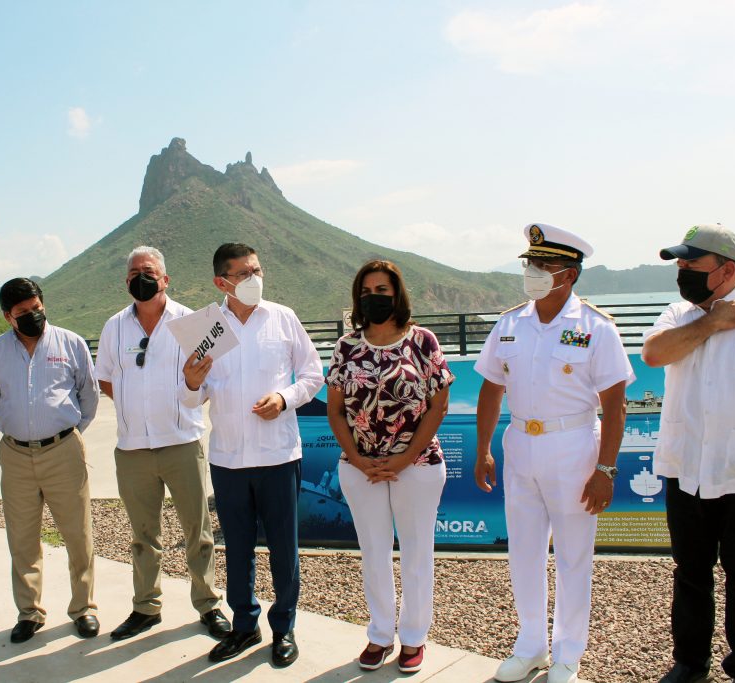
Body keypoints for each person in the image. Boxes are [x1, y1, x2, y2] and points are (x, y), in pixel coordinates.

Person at [473, 225, 633, 683]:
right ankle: (530, 645)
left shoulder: (596, 328)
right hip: (520, 443)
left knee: (573, 553)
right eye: (530, 265)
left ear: (570, 274)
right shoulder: (510, 322)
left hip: (574, 445)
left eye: (543, 266)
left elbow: (615, 403)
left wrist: (605, 467)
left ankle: (567, 653)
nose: (533, 273)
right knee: (523, 551)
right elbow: (491, 387)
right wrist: (484, 448)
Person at [181, 242, 323, 667]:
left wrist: (284, 397)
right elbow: (191, 400)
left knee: (283, 547)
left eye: (257, 270)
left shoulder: (282, 317)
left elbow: (314, 374)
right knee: (237, 548)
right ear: (221, 282)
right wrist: (189, 382)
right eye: (244, 274)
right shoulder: (206, 326)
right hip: (228, 459)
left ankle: (284, 628)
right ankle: (244, 625)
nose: (254, 279)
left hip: (279, 455)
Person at [95, 246, 231, 641]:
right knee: (142, 535)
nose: (143, 276)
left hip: (182, 441)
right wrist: (134, 407)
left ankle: (208, 604)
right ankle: (145, 607)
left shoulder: (195, 322)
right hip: (133, 447)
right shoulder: (113, 327)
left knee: (198, 531)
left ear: (165, 279)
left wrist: (184, 389)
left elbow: (210, 383)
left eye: (150, 270)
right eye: (135, 272)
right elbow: (105, 378)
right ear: (126, 282)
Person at [641, 224, 735, 683]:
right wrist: (712, 322)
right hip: (686, 468)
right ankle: (690, 663)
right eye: (680, 264)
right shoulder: (678, 314)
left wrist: (732, 319)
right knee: (691, 572)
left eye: (692, 263)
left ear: (726, 270)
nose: (682, 272)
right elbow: (653, 354)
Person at [326, 260, 453, 674]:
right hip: (359, 467)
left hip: (416, 465)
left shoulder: (423, 341)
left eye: (382, 290)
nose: (374, 297)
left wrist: (402, 458)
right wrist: (361, 460)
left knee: (417, 554)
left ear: (397, 294)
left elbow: (438, 405)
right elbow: (334, 410)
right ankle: (380, 635)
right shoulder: (347, 346)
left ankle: (413, 638)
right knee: (374, 553)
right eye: (367, 291)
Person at [0, 277, 101, 642]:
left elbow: (88, 395)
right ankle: (29, 612)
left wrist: (69, 432)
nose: (33, 316)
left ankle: (84, 608)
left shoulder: (71, 343)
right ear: (7, 316)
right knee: (22, 538)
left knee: (78, 535)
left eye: (37, 309)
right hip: (16, 455)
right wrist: (15, 427)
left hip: (63, 451)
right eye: (23, 313)